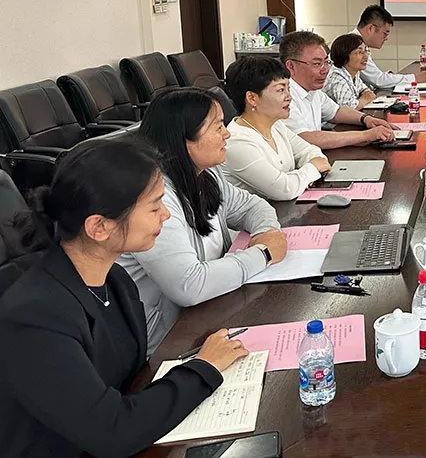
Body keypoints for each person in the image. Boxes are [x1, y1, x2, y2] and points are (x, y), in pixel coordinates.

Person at [0, 139, 248, 457]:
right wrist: (203, 368)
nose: (166, 215)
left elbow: (131, 385)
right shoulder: (34, 316)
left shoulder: (116, 280)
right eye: (154, 207)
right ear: (99, 227)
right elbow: (111, 430)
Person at [118, 88, 288, 356]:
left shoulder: (206, 173)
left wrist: (266, 233)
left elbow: (252, 206)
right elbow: (189, 285)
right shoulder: (153, 198)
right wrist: (263, 254)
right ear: (184, 138)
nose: (227, 134)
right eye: (217, 126)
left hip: (213, 309)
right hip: (166, 342)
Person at [222, 56, 332, 201]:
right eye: (281, 90)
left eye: (288, 88)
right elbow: (284, 190)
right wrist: (312, 168)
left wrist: (305, 172)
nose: (289, 97)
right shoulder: (237, 143)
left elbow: (310, 151)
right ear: (252, 98)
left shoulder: (276, 125)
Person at [280, 30, 396, 150]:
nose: (325, 70)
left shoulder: (313, 91)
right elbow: (304, 138)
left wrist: (366, 119)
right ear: (291, 66)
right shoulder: (283, 96)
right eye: (317, 64)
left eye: (326, 62)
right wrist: (365, 136)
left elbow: (337, 112)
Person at [352, 4, 426, 88]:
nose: (386, 38)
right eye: (385, 33)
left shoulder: (359, 43)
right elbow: (378, 80)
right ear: (371, 28)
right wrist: (415, 78)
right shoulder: (353, 46)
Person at [324, 33, 376, 108]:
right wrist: (364, 99)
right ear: (344, 55)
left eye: (365, 51)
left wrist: (366, 95)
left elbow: (364, 89)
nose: (366, 56)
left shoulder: (353, 73)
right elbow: (348, 108)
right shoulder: (337, 77)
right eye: (360, 52)